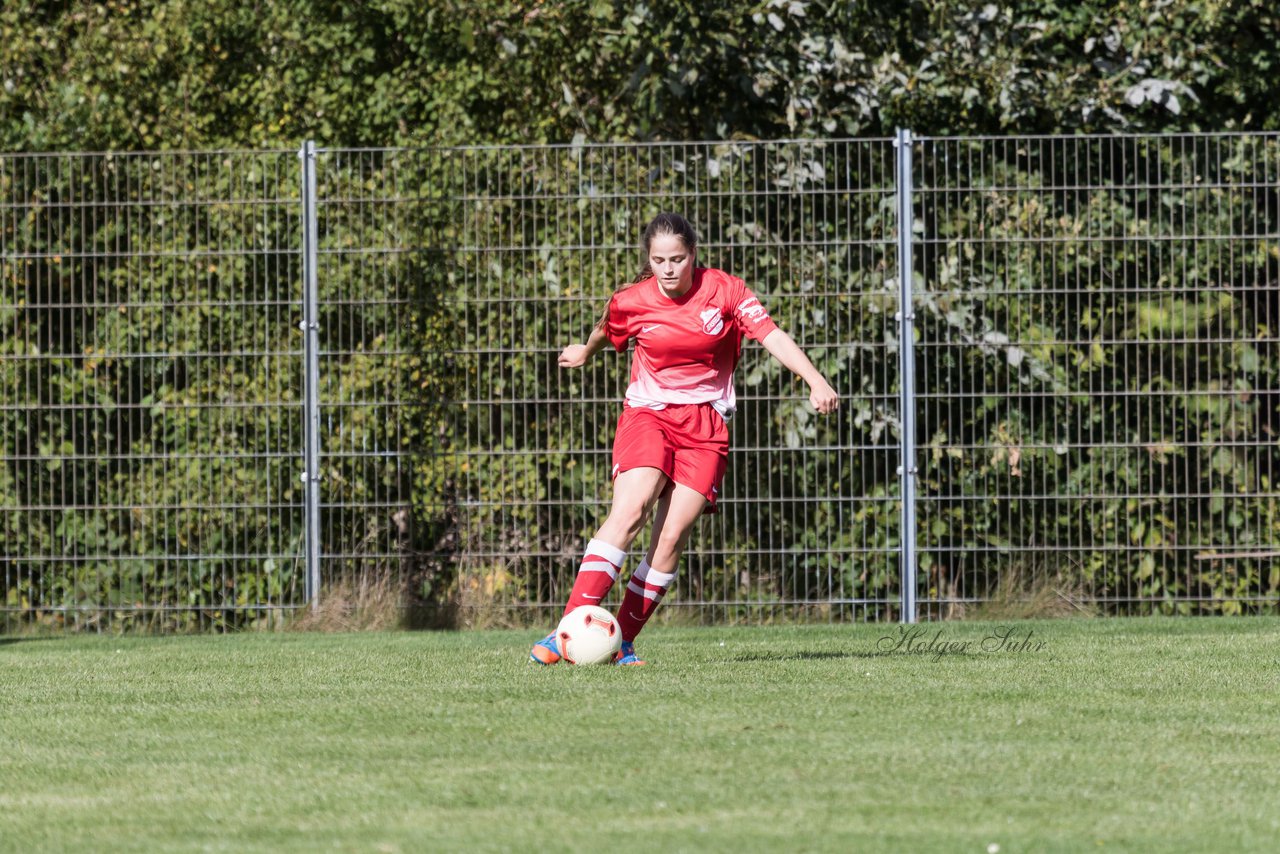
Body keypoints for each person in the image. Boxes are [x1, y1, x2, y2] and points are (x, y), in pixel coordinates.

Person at [530, 212, 840, 666]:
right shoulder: (632, 300)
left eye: (678, 259)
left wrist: (814, 379)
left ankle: (625, 640)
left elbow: (771, 335)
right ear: (649, 261)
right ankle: (569, 628)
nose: (669, 269)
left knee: (671, 538)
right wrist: (585, 349)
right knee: (631, 509)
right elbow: (608, 327)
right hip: (648, 415)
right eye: (659, 260)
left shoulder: (726, 291)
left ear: (693, 255)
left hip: (706, 426)